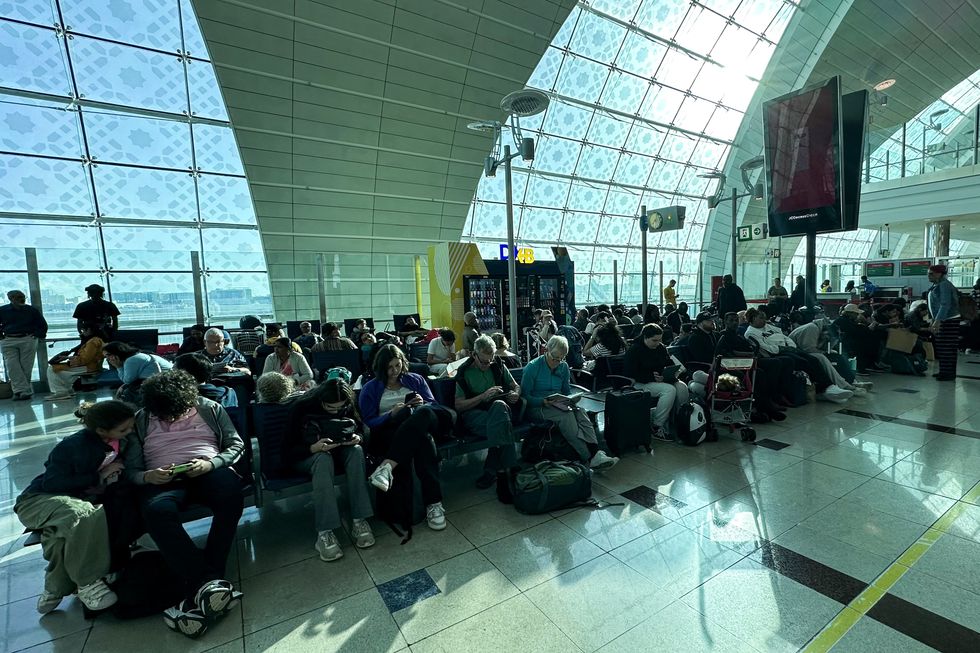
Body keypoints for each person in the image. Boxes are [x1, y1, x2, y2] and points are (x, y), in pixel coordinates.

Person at [124, 370, 244, 635]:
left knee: (232, 495)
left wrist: (210, 463)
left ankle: (202, 584)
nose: (170, 418)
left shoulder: (210, 408)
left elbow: (235, 444)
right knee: (157, 511)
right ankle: (210, 583)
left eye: (175, 412)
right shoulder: (141, 420)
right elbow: (131, 470)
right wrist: (148, 476)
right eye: (164, 415)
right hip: (162, 477)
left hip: (207, 468)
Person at [15, 400, 137, 614]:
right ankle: (88, 581)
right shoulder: (72, 445)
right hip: (38, 500)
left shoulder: (119, 442)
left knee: (59, 536)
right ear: (101, 430)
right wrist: (97, 477)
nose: (129, 432)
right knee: (83, 515)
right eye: (123, 429)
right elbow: (52, 483)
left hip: (73, 501)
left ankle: (56, 587)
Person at [358, 345, 450, 532]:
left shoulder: (415, 380)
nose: (394, 371)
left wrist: (420, 404)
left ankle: (386, 468)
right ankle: (434, 503)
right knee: (423, 442)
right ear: (381, 367)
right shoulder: (370, 388)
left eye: (397, 366)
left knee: (422, 413)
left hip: (422, 420)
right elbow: (368, 421)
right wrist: (391, 414)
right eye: (389, 367)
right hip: (390, 431)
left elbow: (433, 405)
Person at [285, 379, 375, 560]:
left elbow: (362, 427)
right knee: (322, 459)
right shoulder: (301, 407)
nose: (335, 411)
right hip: (307, 455)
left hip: (337, 450)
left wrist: (358, 437)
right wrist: (313, 448)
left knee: (356, 451)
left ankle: (359, 520)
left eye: (339, 408)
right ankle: (325, 531)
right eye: (330, 407)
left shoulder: (346, 404)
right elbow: (286, 451)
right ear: (321, 400)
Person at [521, 335, 617, 469]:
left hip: (558, 404)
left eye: (561, 358)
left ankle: (596, 453)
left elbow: (566, 390)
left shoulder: (563, 366)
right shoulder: (533, 367)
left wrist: (570, 399)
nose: (557, 362)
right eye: (555, 357)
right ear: (546, 350)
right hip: (537, 407)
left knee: (581, 412)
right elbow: (525, 396)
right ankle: (588, 457)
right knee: (567, 417)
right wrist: (543, 401)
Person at [455, 335, 523, 488]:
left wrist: (515, 394)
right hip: (474, 414)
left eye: (490, 360)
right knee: (502, 425)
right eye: (483, 361)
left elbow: (515, 385)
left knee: (499, 406)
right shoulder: (464, 371)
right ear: (474, 355)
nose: (487, 365)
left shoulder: (497, 364)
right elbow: (458, 405)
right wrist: (483, 396)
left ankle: (494, 471)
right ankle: (507, 468)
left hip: (499, 409)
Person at [744, 308, 852, 403]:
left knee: (812, 359)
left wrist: (791, 346)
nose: (764, 320)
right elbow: (765, 348)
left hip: (789, 348)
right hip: (777, 352)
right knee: (803, 362)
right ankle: (825, 387)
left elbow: (785, 337)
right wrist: (783, 348)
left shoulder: (769, 327)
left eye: (764, 318)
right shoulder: (751, 333)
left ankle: (829, 386)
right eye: (761, 318)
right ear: (752, 319)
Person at [715, 312, 788, 421]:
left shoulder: (738, 334)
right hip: (736, 364)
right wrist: (747, 354)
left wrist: (752, 352)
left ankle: (772, 398)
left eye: (736, 320)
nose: (735, 323)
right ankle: (766, 406)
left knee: (776, 363)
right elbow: (728, 353)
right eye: (731, 320)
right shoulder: (724, 336)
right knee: (759, 373)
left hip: (748, 360)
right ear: (725, 322)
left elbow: (748, 346)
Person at [624, 324, 690, 439]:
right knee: (669, 390)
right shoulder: (634, 350)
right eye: (654, 340)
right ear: (645, 337)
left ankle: (680, 419)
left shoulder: (660, 347)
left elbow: (668, 362)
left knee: (682, 387)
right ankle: (657, 425)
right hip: (640, 382)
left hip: (660, 380)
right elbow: (629, 373)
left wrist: (668, 374)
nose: (657, 343)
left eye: (660, 340)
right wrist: (650, 376)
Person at [0, 289, 47, 401]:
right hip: (8, 340)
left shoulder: (31, 310)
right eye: (18, 297)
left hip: (27, 338)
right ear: (11, 299)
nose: (22, 299)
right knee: (12, 367)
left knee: (26, 366)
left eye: (23, 297)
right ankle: (25, 391)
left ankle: (19, 392)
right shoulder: (2, 310)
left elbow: (42, 324)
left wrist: (36, 335)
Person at [45, 323, 108, 402]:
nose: (82, 333)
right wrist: (69, 358)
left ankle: (61, 392)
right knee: (62, 371)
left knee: (52, 369)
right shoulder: (97, 340)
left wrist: (69, 359)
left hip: (88, 367)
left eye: (83, 330)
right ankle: (68, 389)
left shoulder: (92, 342)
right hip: (92, 365)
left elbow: (85, 359)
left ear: (88, 330)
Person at [103, 341, 173, 405]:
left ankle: (133, 412)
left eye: (108, 355)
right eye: (106, 356)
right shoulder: (136, 356)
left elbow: (127, 380)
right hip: (167, 378)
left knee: (128, 392)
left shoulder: (131, 360)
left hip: (165, 382)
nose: (107, 359)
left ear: (117, 352)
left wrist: (118, 366)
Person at [927, 264, 960, 381]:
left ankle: (947, 374)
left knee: (946, 348)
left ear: (939, 274)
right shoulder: (937, 285)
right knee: (944, 347)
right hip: (945, 319)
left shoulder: (944, 285)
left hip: (948, 320)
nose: (928, 276)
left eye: (931, 273)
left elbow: (945, 304)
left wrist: (937, 321)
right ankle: (945, 371)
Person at [834, 304, 886, 375]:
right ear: (851, 313)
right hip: (844, 342)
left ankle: (869, 364)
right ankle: (860, 367)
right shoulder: (843, 321)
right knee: (864, 344)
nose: (857, 315)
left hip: (848, 339)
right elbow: (854, 332)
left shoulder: (846, 319)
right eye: (856, 314)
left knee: (873, 339)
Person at [174, 353, 238, 408]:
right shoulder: (229, 393)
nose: (171, 375)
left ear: (184, 375)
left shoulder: (185, 401)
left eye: (174, 371)